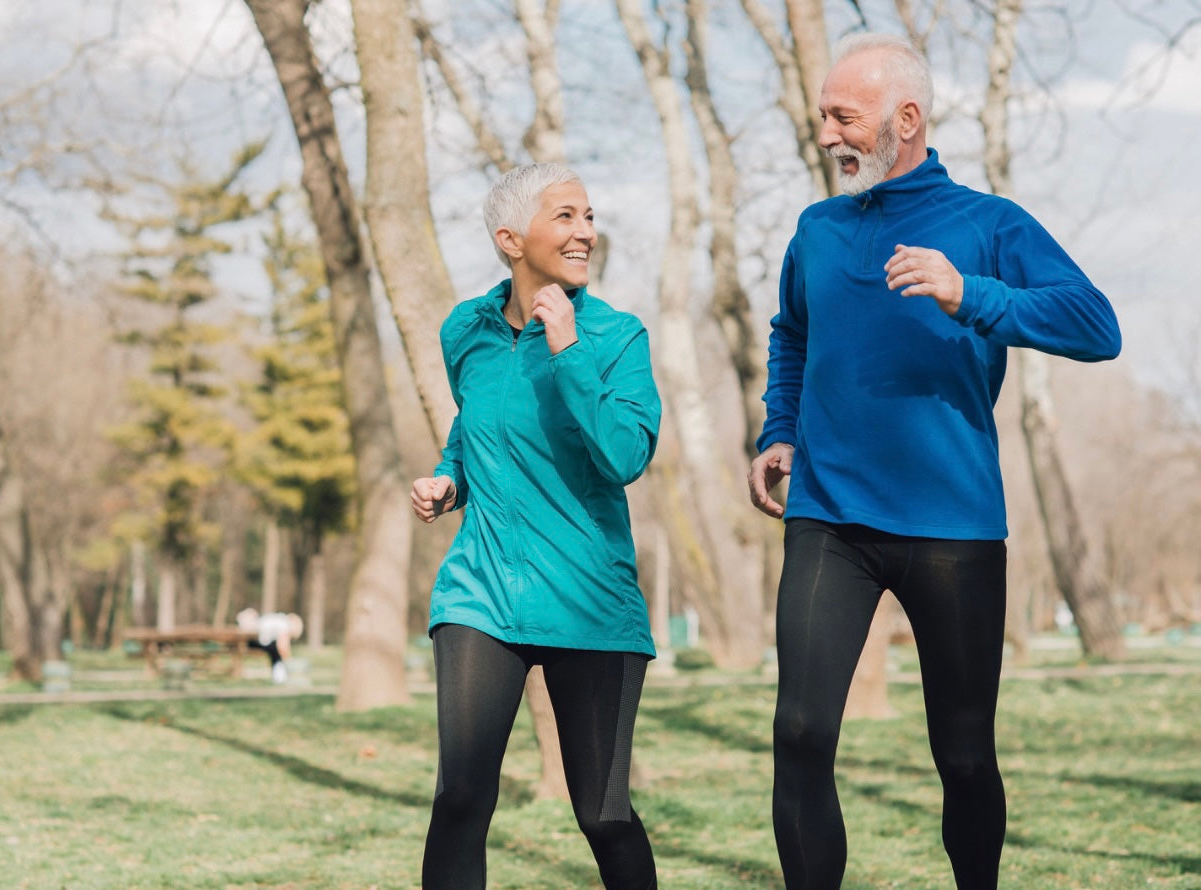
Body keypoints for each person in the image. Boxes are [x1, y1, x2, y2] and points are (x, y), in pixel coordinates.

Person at [747, 33, 1121, 890]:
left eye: (844, 117)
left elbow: (1096, 325)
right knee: (799, 732)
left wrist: (970, 293)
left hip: (952, 524)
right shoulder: (817, 229)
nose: (827, 135)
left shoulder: (988, 224)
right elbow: (792, 335)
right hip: (828, 517)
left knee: (963, 752)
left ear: (905, 119)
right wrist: (780, 429)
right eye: (823, 117)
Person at [411, 163, 661, 890]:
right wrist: (450, 479)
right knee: (461, 798)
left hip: (589, 601)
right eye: (565, 216)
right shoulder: (466, 331)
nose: (585, 232)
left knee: (603, 815)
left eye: (589, 216)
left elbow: (624, 456)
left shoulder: (616, 336)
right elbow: (476, 426)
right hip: (482, 591)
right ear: (511, 240)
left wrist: (568, 349)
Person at [235, 608, 303, 684]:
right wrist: (289, 660)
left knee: (274, 649)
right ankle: (279, 676)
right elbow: (282, 646)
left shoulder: (279, 619)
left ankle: (279, 675)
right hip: (251, 640)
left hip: (251, 639)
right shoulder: (284, 624)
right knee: (275, 650)